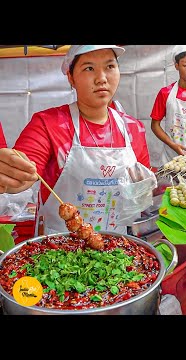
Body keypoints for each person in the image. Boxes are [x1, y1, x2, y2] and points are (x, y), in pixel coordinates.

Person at [0, 45, 152, 236]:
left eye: (110, 67)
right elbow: (24, 171)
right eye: (89, 68)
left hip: (115, 245)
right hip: (58, 247)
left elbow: (141, 189)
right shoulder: (48, 124)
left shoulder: (133, 129)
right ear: (71, 78)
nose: (102, 78)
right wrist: (11, 174)